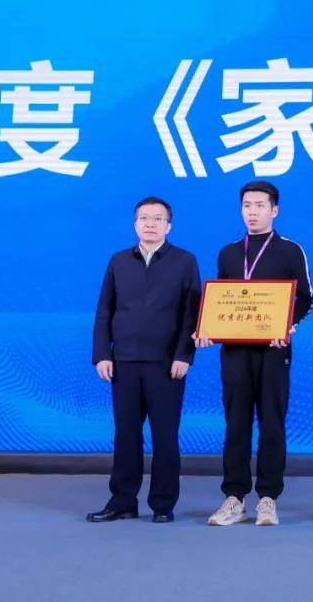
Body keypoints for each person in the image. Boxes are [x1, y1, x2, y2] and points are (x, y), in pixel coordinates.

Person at [199, 180, 313, 527]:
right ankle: (234, 498)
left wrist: (287, 326)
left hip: (274, 351)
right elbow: (220, 300)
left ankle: (268, 497)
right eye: (247, 205)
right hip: (235, 351)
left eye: (260, 205)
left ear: (274, 210)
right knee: (235, 423)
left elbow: (306, 298)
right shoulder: (229, 253)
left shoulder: (290, 250)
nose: (253, 212)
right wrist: (207, 326)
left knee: (272, 422)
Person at [88, 196, 200, 523]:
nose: (150, 224)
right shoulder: (119, 261)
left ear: (169, 226)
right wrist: (102, 354)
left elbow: (191, 314)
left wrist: (184, 355)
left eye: (158, 218)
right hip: (123, 363)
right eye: (144, 218)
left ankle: (163, 504)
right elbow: (104, 311)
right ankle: (122, 500)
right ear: (135, 223)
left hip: (166, 365)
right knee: (126, 435)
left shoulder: (184, 261)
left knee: (165, 436)